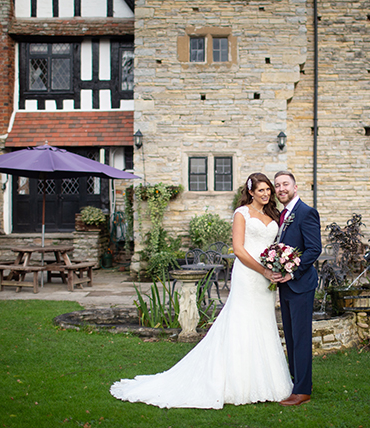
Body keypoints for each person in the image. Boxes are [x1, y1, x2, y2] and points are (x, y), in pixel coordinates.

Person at [110, 173, 292, 409]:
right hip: (249, 275)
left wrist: (275, 265)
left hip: (266, 278)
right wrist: (263, 270)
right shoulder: (242, 213)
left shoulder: (272, 214)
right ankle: (237, 382)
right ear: (250, 192)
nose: (267, 194)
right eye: (261, 190)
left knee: (263, 322)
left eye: (268, 189)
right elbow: (238, 249)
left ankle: (268, 381)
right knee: (242, 322)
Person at [272, 171, 322, 406]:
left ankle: (302, 391)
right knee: (291, 338)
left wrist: (292, 272)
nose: (281, 188)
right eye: (278, 185)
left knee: (300, 338)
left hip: (301, 284)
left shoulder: (306, 212)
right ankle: (298, 382)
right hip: (286, 286)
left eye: (285, 184)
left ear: (295, 186)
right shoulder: (282, 215)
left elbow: (313, 249)